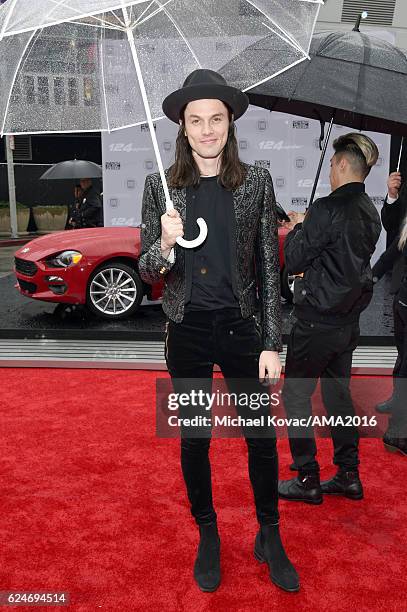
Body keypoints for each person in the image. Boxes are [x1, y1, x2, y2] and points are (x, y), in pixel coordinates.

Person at [138, 69, 299, 593]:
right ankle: (208, 532)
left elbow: (270, 271)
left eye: (216, 119)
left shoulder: (256, 182)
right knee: (194, 439)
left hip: (241, 328)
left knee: (260, 438)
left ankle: (268, 533)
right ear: (182, 128)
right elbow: (147, 272)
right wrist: (163, 244)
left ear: (230, 124)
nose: (206, 129)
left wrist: (273, 341)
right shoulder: (161, 187)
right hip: (185, 331)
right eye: (195, 120)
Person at [278, 133, 381, 505]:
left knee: (297, 396)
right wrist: (312, 225)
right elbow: (340, 250)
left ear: (339, 165)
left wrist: (298, 228)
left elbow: (296, 259)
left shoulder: (327, 208)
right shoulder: (370, 209)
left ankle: (308, 477)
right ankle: (349, 474)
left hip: (317, 320)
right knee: (338, 396)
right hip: (347, 322)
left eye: (333, 168)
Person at [372, 221, 407, 456]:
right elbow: (390, 254)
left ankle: (397, 427)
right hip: (404, 303)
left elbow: (389, 254)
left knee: (404, 360)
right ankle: (397, 433)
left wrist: (370, 278)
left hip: (402, 303)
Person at [375, 171, 407, 414]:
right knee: (402, 354)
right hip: (402, 297)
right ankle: (398, 400)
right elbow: (395, 236)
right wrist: (393, 196)